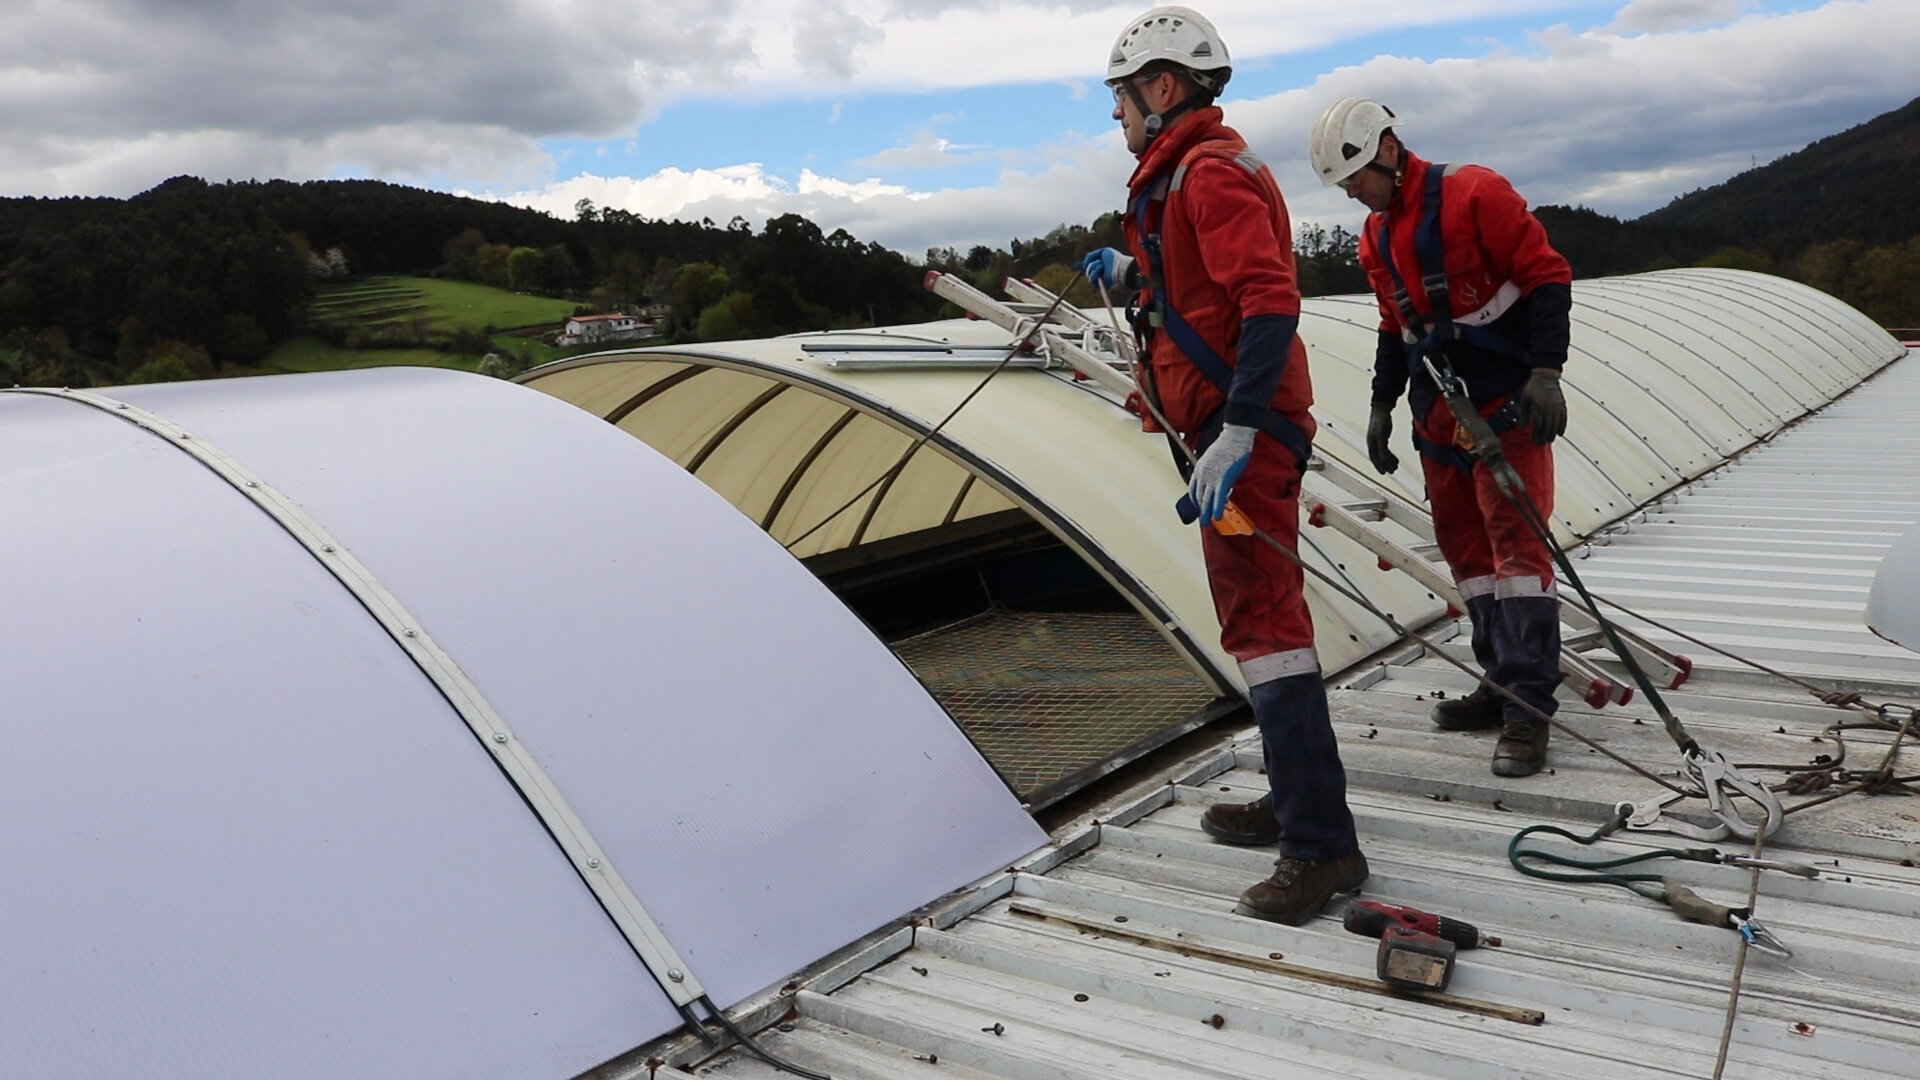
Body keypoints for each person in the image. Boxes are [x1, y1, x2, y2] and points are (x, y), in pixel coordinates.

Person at [1077, 7, 1366, 925]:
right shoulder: (1188, 177)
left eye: (1121, 98)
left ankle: (1321, 848)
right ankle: (1298, 806)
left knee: (1269, 627)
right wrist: (1139, 278)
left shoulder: (1203, 175)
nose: (1116, 116)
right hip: (1228, 434)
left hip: (1247, 441)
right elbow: (1209, 289)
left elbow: (1267, 299)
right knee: (1256, 623)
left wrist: (1240, 431)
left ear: (1162, 88)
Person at [1309, 97, 1572, 778]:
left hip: (1505, 406)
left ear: (1389, 150)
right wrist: (1380, 404)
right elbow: (1396, 328)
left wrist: (1546, 373)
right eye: (1344, 186)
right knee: (1470, 559)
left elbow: (1546, 278)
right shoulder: (1375, 237)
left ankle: (1529, 711)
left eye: (1358, 177)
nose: (1354, 193)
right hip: (1440, 416)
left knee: (1517, 559)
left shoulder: (1475, 193)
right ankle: (1500, 681)